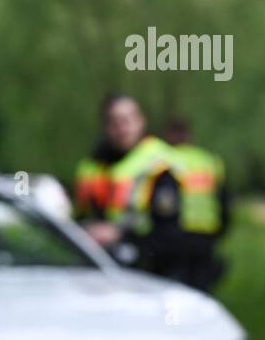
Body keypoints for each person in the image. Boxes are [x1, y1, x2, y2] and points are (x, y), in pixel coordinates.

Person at [77, 93, 196, 284]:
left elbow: (170, 235)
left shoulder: (158, 165)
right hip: (101, 270)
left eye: (127, 120)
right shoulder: (92, 165)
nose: (121, 128)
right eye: (114, 122)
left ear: (141, 121)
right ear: (105, 126)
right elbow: (81, 214)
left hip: (152, 270)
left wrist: (118, 234)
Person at [163, 117, 230, 292]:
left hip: (175, 236)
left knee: (176, 291)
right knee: (202, 291)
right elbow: (224, 199)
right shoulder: (209, 160)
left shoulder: (163, 160)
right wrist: (221, 230)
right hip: (205, 235)